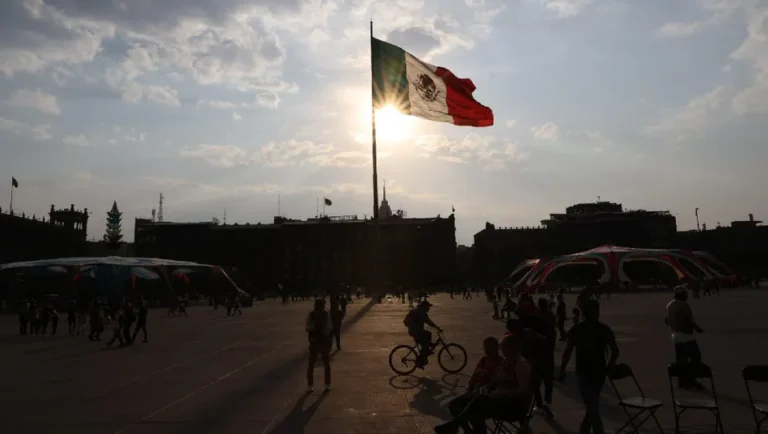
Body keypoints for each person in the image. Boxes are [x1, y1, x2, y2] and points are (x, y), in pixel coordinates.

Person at [434, 334, 532, 434]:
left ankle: (454, 425)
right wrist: (485, 389)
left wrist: (499, 394)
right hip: (497, 399)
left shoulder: (521, 364)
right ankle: (466, 430)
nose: (501, 348)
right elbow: (494, 381)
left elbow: (522, 391)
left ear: (513, 347)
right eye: (501, 345)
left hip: (513, 405)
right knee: (455, 404)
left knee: (478, 402)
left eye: (504, 346)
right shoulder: (505, 362)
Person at [559, 300, 619, 434]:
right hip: (586, 372)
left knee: (592, 404)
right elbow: (568, 351)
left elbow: (615, 351)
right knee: (593, 404)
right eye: (595, 311)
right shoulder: (600, 329)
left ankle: (587, 429)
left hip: (596, 372)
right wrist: (562, 369)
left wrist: (610, 365)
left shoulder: (582, 329)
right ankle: (595, 430)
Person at [666, 287, 705, 388]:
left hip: (675, 335)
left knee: (681, 360)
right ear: (682, 295)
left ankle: (681, 381)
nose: (686, 297)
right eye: (685, 295)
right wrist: (697, 328)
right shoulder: (683, 305)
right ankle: (690, 379)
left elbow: (666, 320)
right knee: (695, 356)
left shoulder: (669, 305)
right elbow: (688, 320)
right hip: (686, 336)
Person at [403, 300, 442, 367]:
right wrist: (438, 328)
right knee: (426, 340)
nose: (429, 308)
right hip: (416, 331)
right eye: (428, 307)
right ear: (424, 307)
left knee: (427, 334)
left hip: (414, 331)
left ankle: (426, 350)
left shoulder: (417, 311)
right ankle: (420, 360)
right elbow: (429, 322)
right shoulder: (421, 313)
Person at [306, 299, 332, 393]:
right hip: (315, 341)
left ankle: (326, 384)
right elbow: (307, 328)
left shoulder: (326, 315)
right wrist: (313, 326)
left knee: (325, 364)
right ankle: (311, 385)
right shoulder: (311, 315)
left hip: (322, 341)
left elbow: (329, 327)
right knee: (312, 364)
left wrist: (324, 329)